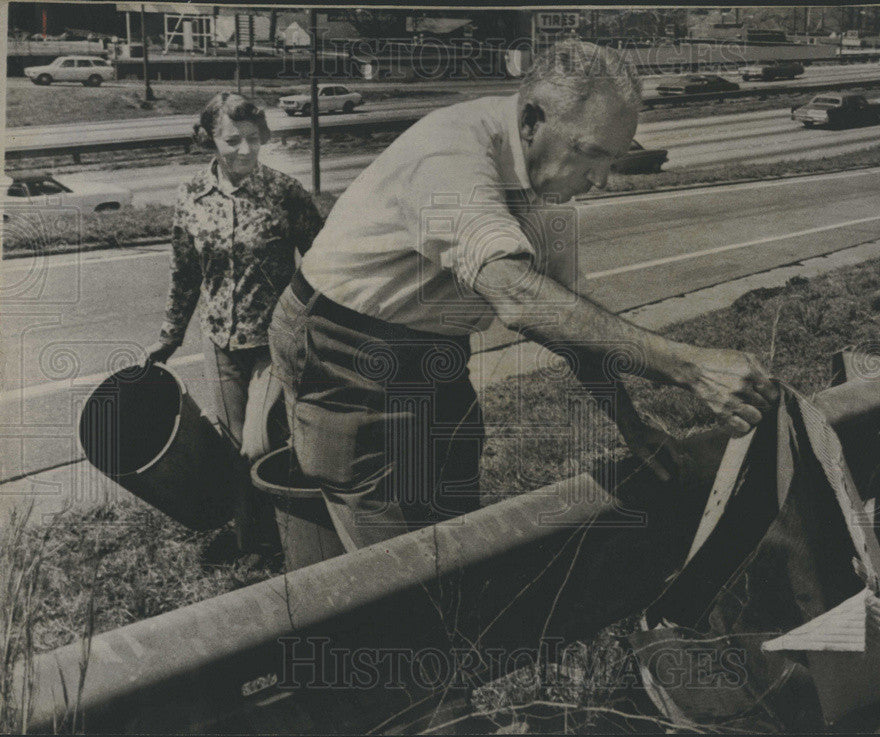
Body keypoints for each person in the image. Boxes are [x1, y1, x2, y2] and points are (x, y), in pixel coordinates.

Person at [268, 40, 778, 554]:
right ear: (531, 121)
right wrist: (692, 367)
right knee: (389, 547)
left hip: (433, 346)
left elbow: (567, 319)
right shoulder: (450, 154)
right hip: (340, 343)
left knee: (453, 509)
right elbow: (517, 296)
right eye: (591, 155)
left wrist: (632, 426)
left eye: (613, 159)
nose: (600, 180)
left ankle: (440, 607)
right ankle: (348, 602)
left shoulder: (547, 186)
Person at [147, 92, 324, 554]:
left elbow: (324, 260)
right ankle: (255, 546)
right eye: (232, 140)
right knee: (230, 451)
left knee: (259, 446)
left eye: (252, 139)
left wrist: (312, 319)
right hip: (220, 345)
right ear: (210, 140)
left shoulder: (284, 193)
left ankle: (298, 537)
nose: (245, 150)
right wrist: (168, 339)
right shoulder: (190, 196)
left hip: (274, 342)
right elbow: (184, 274)